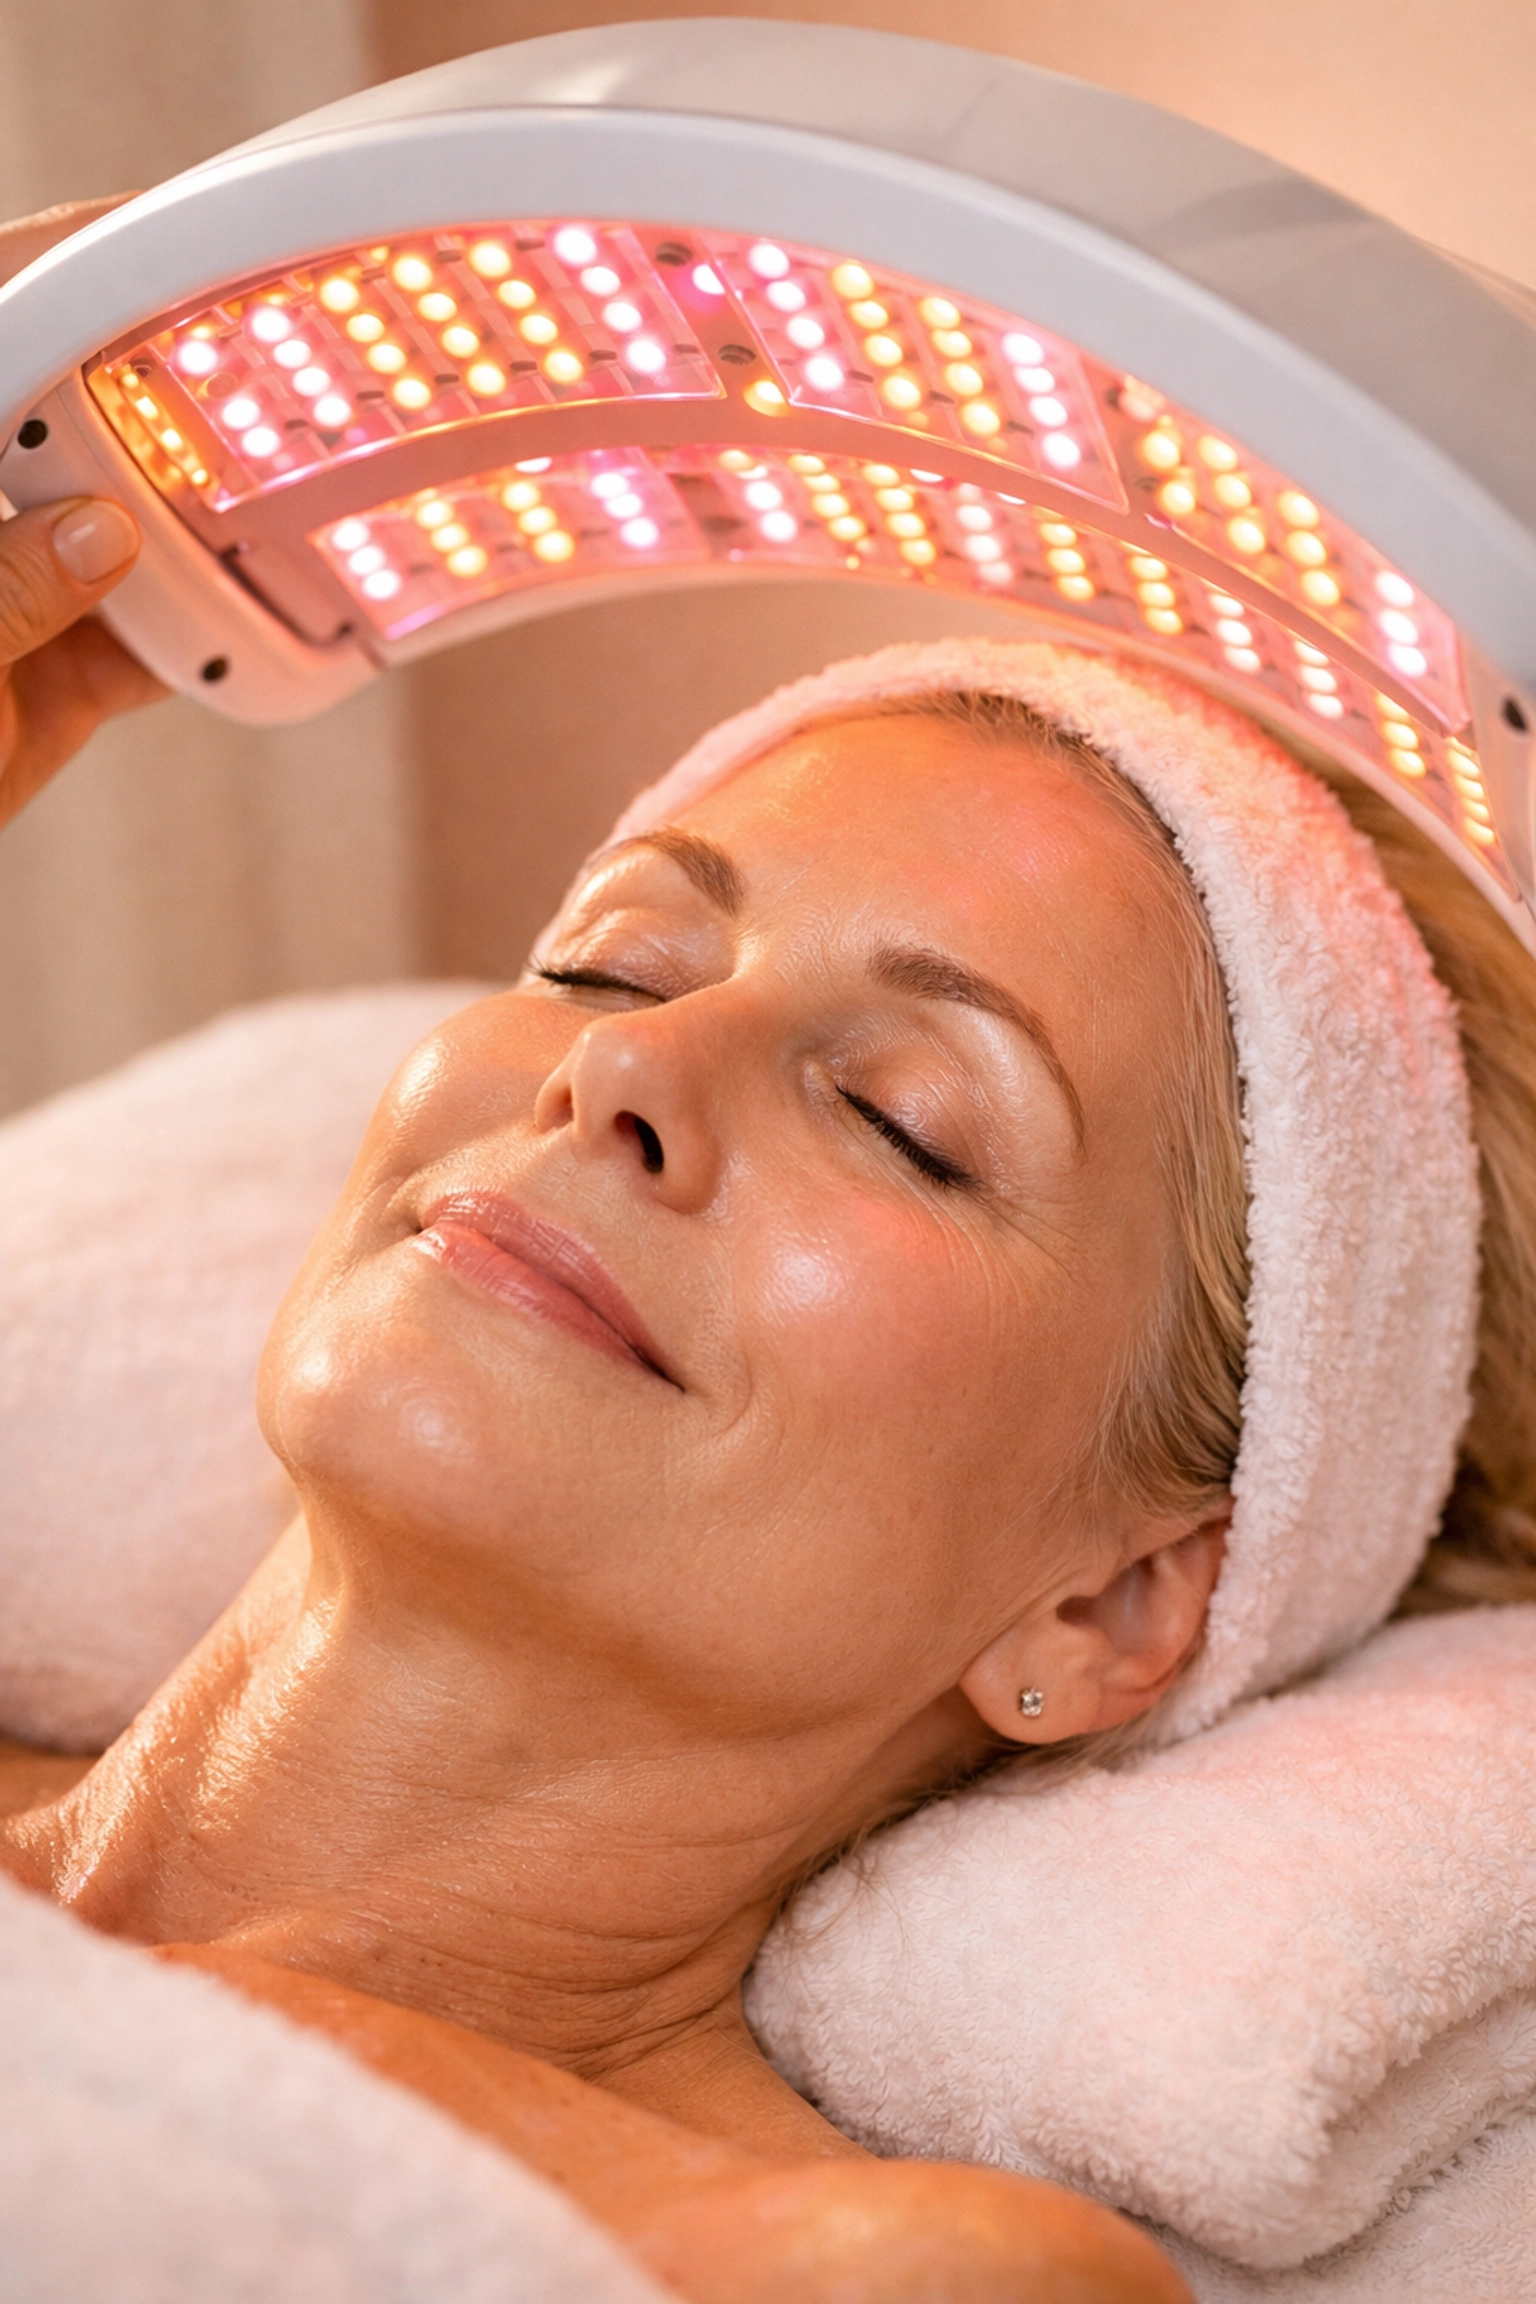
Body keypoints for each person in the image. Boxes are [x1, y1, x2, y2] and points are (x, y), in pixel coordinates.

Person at [3, 198, 1535, 2304]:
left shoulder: (845, 2272)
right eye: (610, 959)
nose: (623, 1080)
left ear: (1111, 1600)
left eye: (903, 1117)